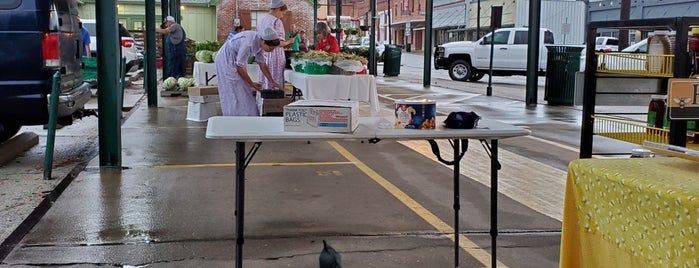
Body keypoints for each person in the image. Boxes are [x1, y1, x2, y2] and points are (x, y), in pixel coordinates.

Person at [215, 28, 281, 116]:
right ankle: (233, 117)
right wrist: (252, 83)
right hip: (226, 59)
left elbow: (262, 64)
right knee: (233, 89)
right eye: (270, 48)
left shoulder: (260, 44)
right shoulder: (249, 44)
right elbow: (239, 66)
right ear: (263, 41)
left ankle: (247, 116)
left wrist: (272, 81)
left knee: (244, 89)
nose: (271, 51)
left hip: (237, 59)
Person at [256, 0, 294, 89]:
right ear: (278, 9)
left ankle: (263, 100)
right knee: (275, 78)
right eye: (283, 13)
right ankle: (275, 98)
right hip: (275, 55)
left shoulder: (263, 19)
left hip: (263, 53)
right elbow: (278, 43)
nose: (282, 16)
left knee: (265, 78)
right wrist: (289, 41)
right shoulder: (276, 21)